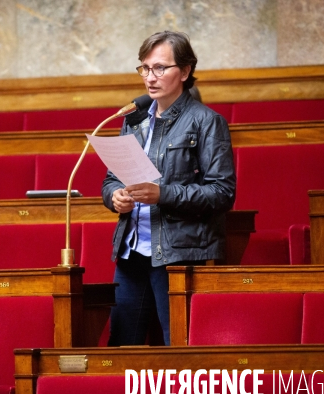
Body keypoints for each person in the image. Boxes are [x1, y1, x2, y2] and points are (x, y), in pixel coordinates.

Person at [101, 31, 236, 346]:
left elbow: (222, 192)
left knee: (177, 346)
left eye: (160, 68)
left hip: (180, 254)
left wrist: (163, 194)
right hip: (132, 250)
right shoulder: (134, 121)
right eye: (145, 68)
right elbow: (112, 179)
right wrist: (115, 197)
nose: (150, 77)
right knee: (123, 348)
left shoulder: (206, 122)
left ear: (185, 71)